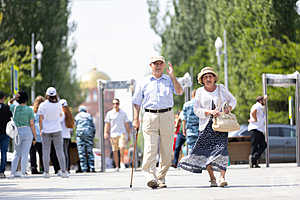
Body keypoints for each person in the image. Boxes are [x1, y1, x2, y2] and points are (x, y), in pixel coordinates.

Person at [179, 67, 236, 187]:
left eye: (210, 76)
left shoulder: (221, 88)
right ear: (202, 80)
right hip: (205, 127)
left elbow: (233, 100)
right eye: (205, 77)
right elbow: (196, 110)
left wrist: (228, 109)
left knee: (222, 151)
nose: (208, 79)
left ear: (214, 78)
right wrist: (209, 112)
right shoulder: (199, 92)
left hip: (220, 126)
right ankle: (212, 178)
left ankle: (222, 177)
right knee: (206, 153)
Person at [132, 56, 183, 189]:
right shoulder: (143, 82)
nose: (158, 66)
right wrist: (135, 119)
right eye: (155, 64)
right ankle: (150, 176)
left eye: (160, 63)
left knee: (166, 149)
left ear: (164, 65)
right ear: (151, 65)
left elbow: (179, 91)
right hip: (149, 115)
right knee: (150, 148)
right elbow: (136, 102)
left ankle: (161, 177)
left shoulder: (169, 80)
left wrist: (173, 77)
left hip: (167, 115)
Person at [37, 87, 68, 178]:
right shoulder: (58, 105)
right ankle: (63, 171)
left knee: (46, 151)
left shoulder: (42, 105)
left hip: (46, 130)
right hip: (57, 129)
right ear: (55, 94)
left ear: (46, 95)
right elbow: (61, 116)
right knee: (60, 151)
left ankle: (46, 172)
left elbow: (40, 119)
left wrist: (41, 129)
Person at [9, 91, 37, 178]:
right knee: (25, 153)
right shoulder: (30, 110)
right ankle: (23, 172)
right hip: (27, 131)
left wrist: (14, 98)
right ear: (26, 99)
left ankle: (12, 172)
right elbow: (32, 124)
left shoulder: (14, 108)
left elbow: (9, 102)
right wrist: (35, 136)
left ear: (18, 99)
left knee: (17, 153)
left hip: (17, 131)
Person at [104, 98, 131, 171]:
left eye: (117, 103)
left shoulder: (123, 113)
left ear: (119, 104)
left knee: (122, 147)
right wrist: (105, 132)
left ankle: (122, 162)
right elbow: (107, 124)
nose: (115, 105)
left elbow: (127, 124)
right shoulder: (109, 113)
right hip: (113, 134)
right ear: (112, 105)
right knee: (115, 150)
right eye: (114, 103)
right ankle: (117, 166)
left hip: (122, 133)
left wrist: (129, 135)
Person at [248, 95, 267, 168]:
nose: (265, 102)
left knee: (257, 146)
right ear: (260, 101)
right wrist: (255, 119)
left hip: (258, 129)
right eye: (263, 101)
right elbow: (253, 112)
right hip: (255, 129)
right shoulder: (257, 106)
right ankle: (253, 158)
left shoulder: (260, 106)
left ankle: (254, 161)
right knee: (262, 145)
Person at [75, 105, 96, 172]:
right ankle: (92, 168)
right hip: (88, 134)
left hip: (80, 134)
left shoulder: (77, 116)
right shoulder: (89, 115)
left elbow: (75, 126)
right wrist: (92, 135)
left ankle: (84, 168)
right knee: (89, 151)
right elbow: (93, 126)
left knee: (82, 152)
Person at [30, 95, 45, 174]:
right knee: (42, 152)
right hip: (41, 132)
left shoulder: (32, 110)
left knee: (32, 152)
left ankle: (33, 168)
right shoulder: (43, 111)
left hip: (33, 133)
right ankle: (43, 168)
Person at [0, 91, 12, 178]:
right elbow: (11, 119)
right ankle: (1, 171)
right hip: (5, 133)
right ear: (3, 98)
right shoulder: (7, 108)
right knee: (4, 153)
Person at [60, 99, 74, 172]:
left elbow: (59, 121)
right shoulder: (69, 114)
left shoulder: (62, 113)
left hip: (61, 135)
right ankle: (67, 168)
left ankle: (64, 168)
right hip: (67, 136)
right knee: (66, 152)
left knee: (62, 152)